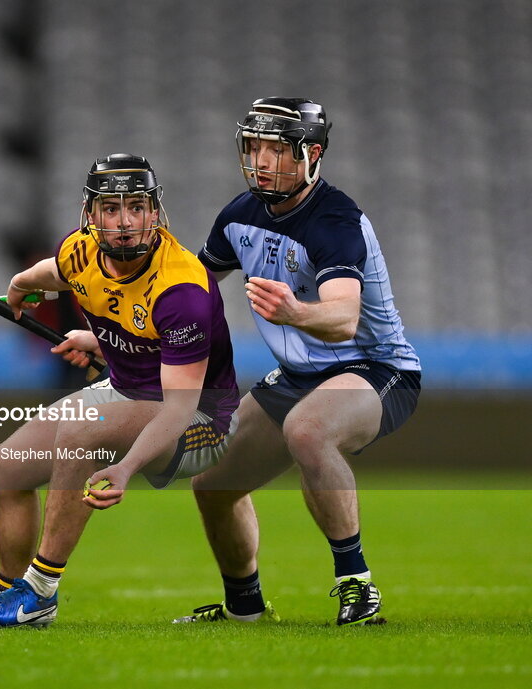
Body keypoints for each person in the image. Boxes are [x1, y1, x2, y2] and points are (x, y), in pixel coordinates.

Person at [0, 154, 241, 628]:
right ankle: (8, 600)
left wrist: (125, 467)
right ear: (91, 215)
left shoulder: (181, 288)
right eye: (111, 209)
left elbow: (180, 406)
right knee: (6, 468)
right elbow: (56, 273)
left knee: (84, 431)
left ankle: (39, 592)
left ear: (154, 213)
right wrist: (20, 285)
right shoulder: (81, 250)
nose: (124, 223)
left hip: (202, 420)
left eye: (136, 208)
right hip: (126, 391)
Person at [177, 98, 421, 626]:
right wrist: (108, 335)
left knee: (308, 431)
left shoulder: (334, 219)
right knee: (211, 481)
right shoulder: (239, 215)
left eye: (276, 149)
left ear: (311, 155)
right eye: (254, 147)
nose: (262, 161)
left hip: (377, 369)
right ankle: (245, 609)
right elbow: (185, 295)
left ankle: (356, 588)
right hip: (298, 376)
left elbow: (343, 320)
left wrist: (292, 311)